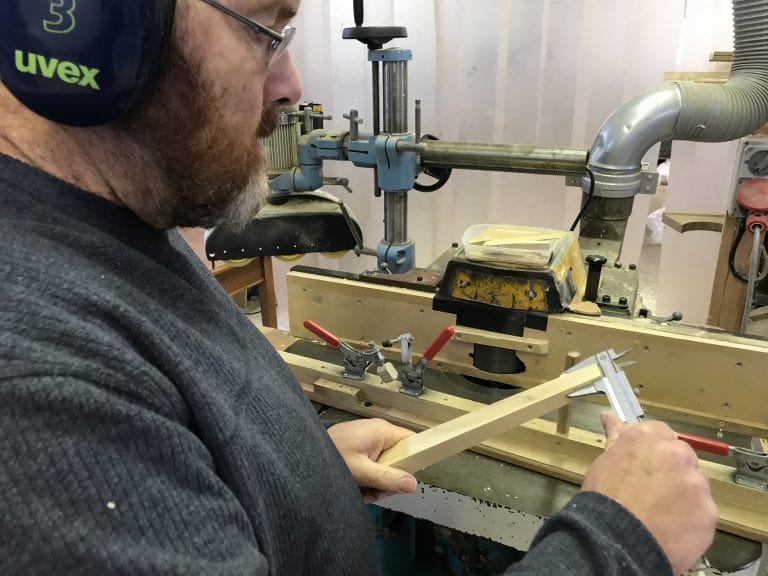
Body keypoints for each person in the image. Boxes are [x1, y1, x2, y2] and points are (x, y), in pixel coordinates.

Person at [0, 1, 717, 574]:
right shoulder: (39, 395)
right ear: (89, 26)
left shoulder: (110, 222)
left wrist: (286, 479)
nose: (292, 86)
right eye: (268, 30)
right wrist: (619, 545)